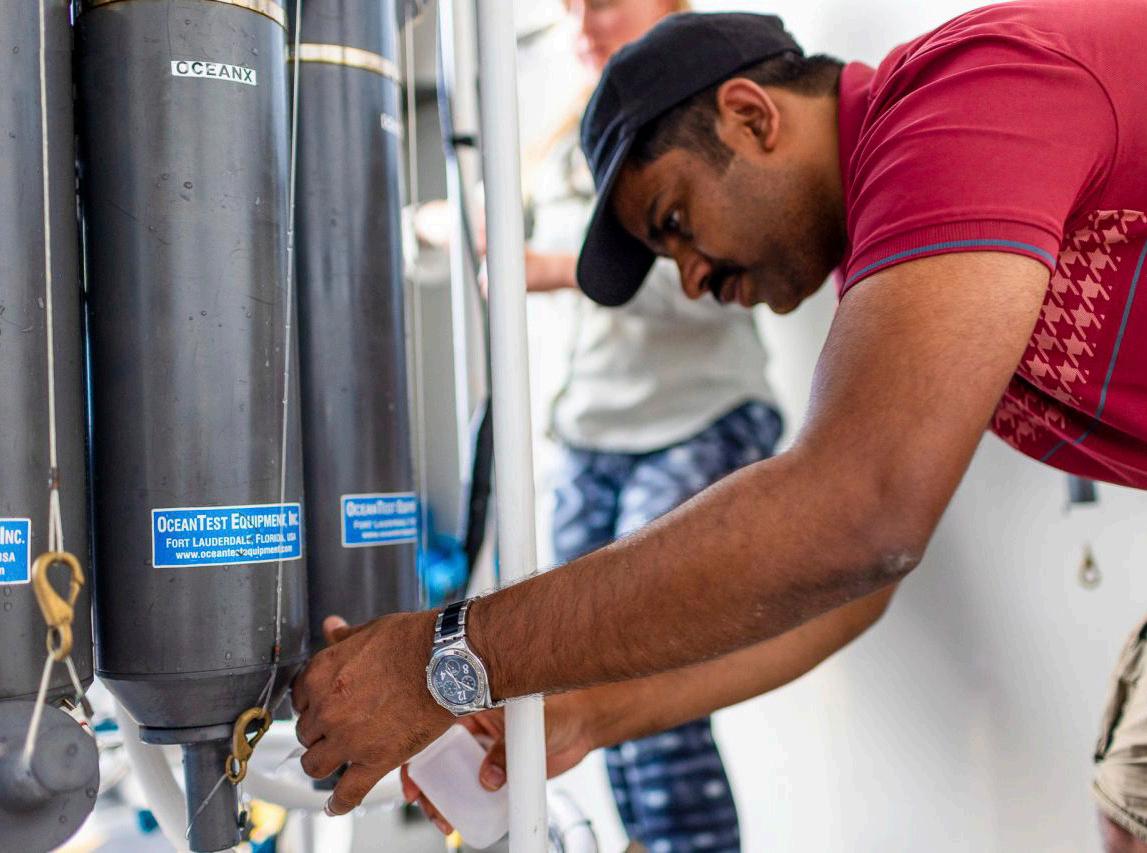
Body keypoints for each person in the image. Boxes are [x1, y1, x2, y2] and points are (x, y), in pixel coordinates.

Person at [292, 3, 1147, 849]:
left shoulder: (964, 96)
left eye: (675, 222)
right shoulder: (899, 253)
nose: (693, 280)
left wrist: (441, 659)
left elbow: (858, 514)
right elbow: (854, 584)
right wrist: (589, 710)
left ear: (750, 117)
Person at [523, 1, 782, 847]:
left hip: (697, 418)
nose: (582, 26)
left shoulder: (705, 116)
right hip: (591, 433)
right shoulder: (564, 139)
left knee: (652, 672)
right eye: (569, 8)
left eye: (603, 2)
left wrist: (560, 267)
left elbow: (725, 274)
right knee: (585, 686)